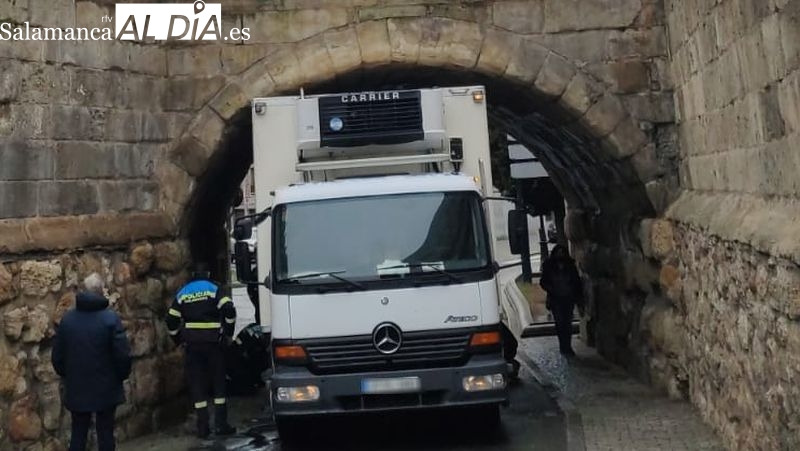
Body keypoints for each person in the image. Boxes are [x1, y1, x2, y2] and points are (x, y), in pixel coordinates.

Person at [52, 273, 132, 451]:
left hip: (77, 386)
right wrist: (120, 376)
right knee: (105, 432)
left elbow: (57, 357)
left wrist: (68, 375)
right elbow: (122, 355)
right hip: (106, 386)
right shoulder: (110, 319)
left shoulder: (68, 321)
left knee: (78, 433)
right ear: (101, 291)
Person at [166, 263, 237, 439]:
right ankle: (221, 425)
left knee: (197, 385)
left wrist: (177, 338)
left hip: (192, 346)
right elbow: (229, 309)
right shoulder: (214, 288)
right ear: (207, 273)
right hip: (213, 344)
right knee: (218, 383)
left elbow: (171, 319)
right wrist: (227, 332)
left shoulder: (184, 292)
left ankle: (203, 427)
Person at [539, 244, 583, 356]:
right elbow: (543, 282)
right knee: (560, 323)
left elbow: (576, 282)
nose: (560, 255)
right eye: (558, 252)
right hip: (556, 299)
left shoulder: (570, 266)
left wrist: (577, 296)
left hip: (568, 299)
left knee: (567, 323)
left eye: (562, 252)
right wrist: (552, 289)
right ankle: (563, 346)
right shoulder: (549, 266)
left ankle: (567, 346)